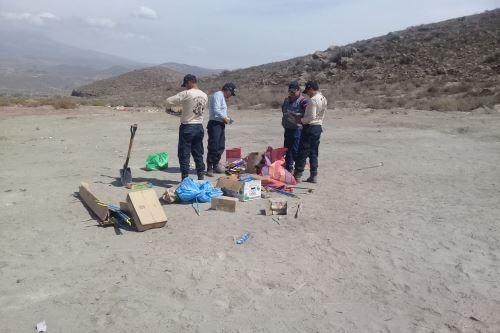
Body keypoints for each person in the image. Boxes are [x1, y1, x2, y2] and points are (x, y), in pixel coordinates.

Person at [165, 74, 208, 181]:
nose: (185, 87)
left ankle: (185, 179)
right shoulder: (204, 95)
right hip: (199, 126)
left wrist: (169, 109)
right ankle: (200, 176)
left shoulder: (186, 93)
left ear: (189, 82)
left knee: (184, 153)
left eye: (186, 84)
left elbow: (168, 100)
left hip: (187, 127)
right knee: (198, 153)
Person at [293, 80, 327, 183]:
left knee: (303, 151)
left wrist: (301, 120)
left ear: (311, 89)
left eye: (307, 91)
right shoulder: (323, 98)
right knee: (313, 152)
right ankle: (313, 175)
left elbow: (311, 116)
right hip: (318, 127)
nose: (307, 93)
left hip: (310, 127)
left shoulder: (313, 100)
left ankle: (297, 175)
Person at [206, 82, 237, 177]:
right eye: (231, 93)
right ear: (227, 90)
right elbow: (216, 110)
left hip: (220, 124)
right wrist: (225, 118)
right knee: (213, 145)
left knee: (220, 146)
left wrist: (227, 119)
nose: (231, 96)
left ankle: (215, 164)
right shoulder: (218, 95)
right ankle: (209, 167)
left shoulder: (222, 97)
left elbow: (221, 111)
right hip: (214, 124)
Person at [281, 81, 307, 173]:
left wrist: (297, 115)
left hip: (297, 129)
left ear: (298, 91)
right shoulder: (286, 100)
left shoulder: (303, 101)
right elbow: (283, 110)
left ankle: (299, 169)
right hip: (287, 128)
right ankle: (289, 168)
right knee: (287, 149)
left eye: (293, 91)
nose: (291, 93)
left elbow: (308, 114)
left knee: (295, 150)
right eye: (290, 91)